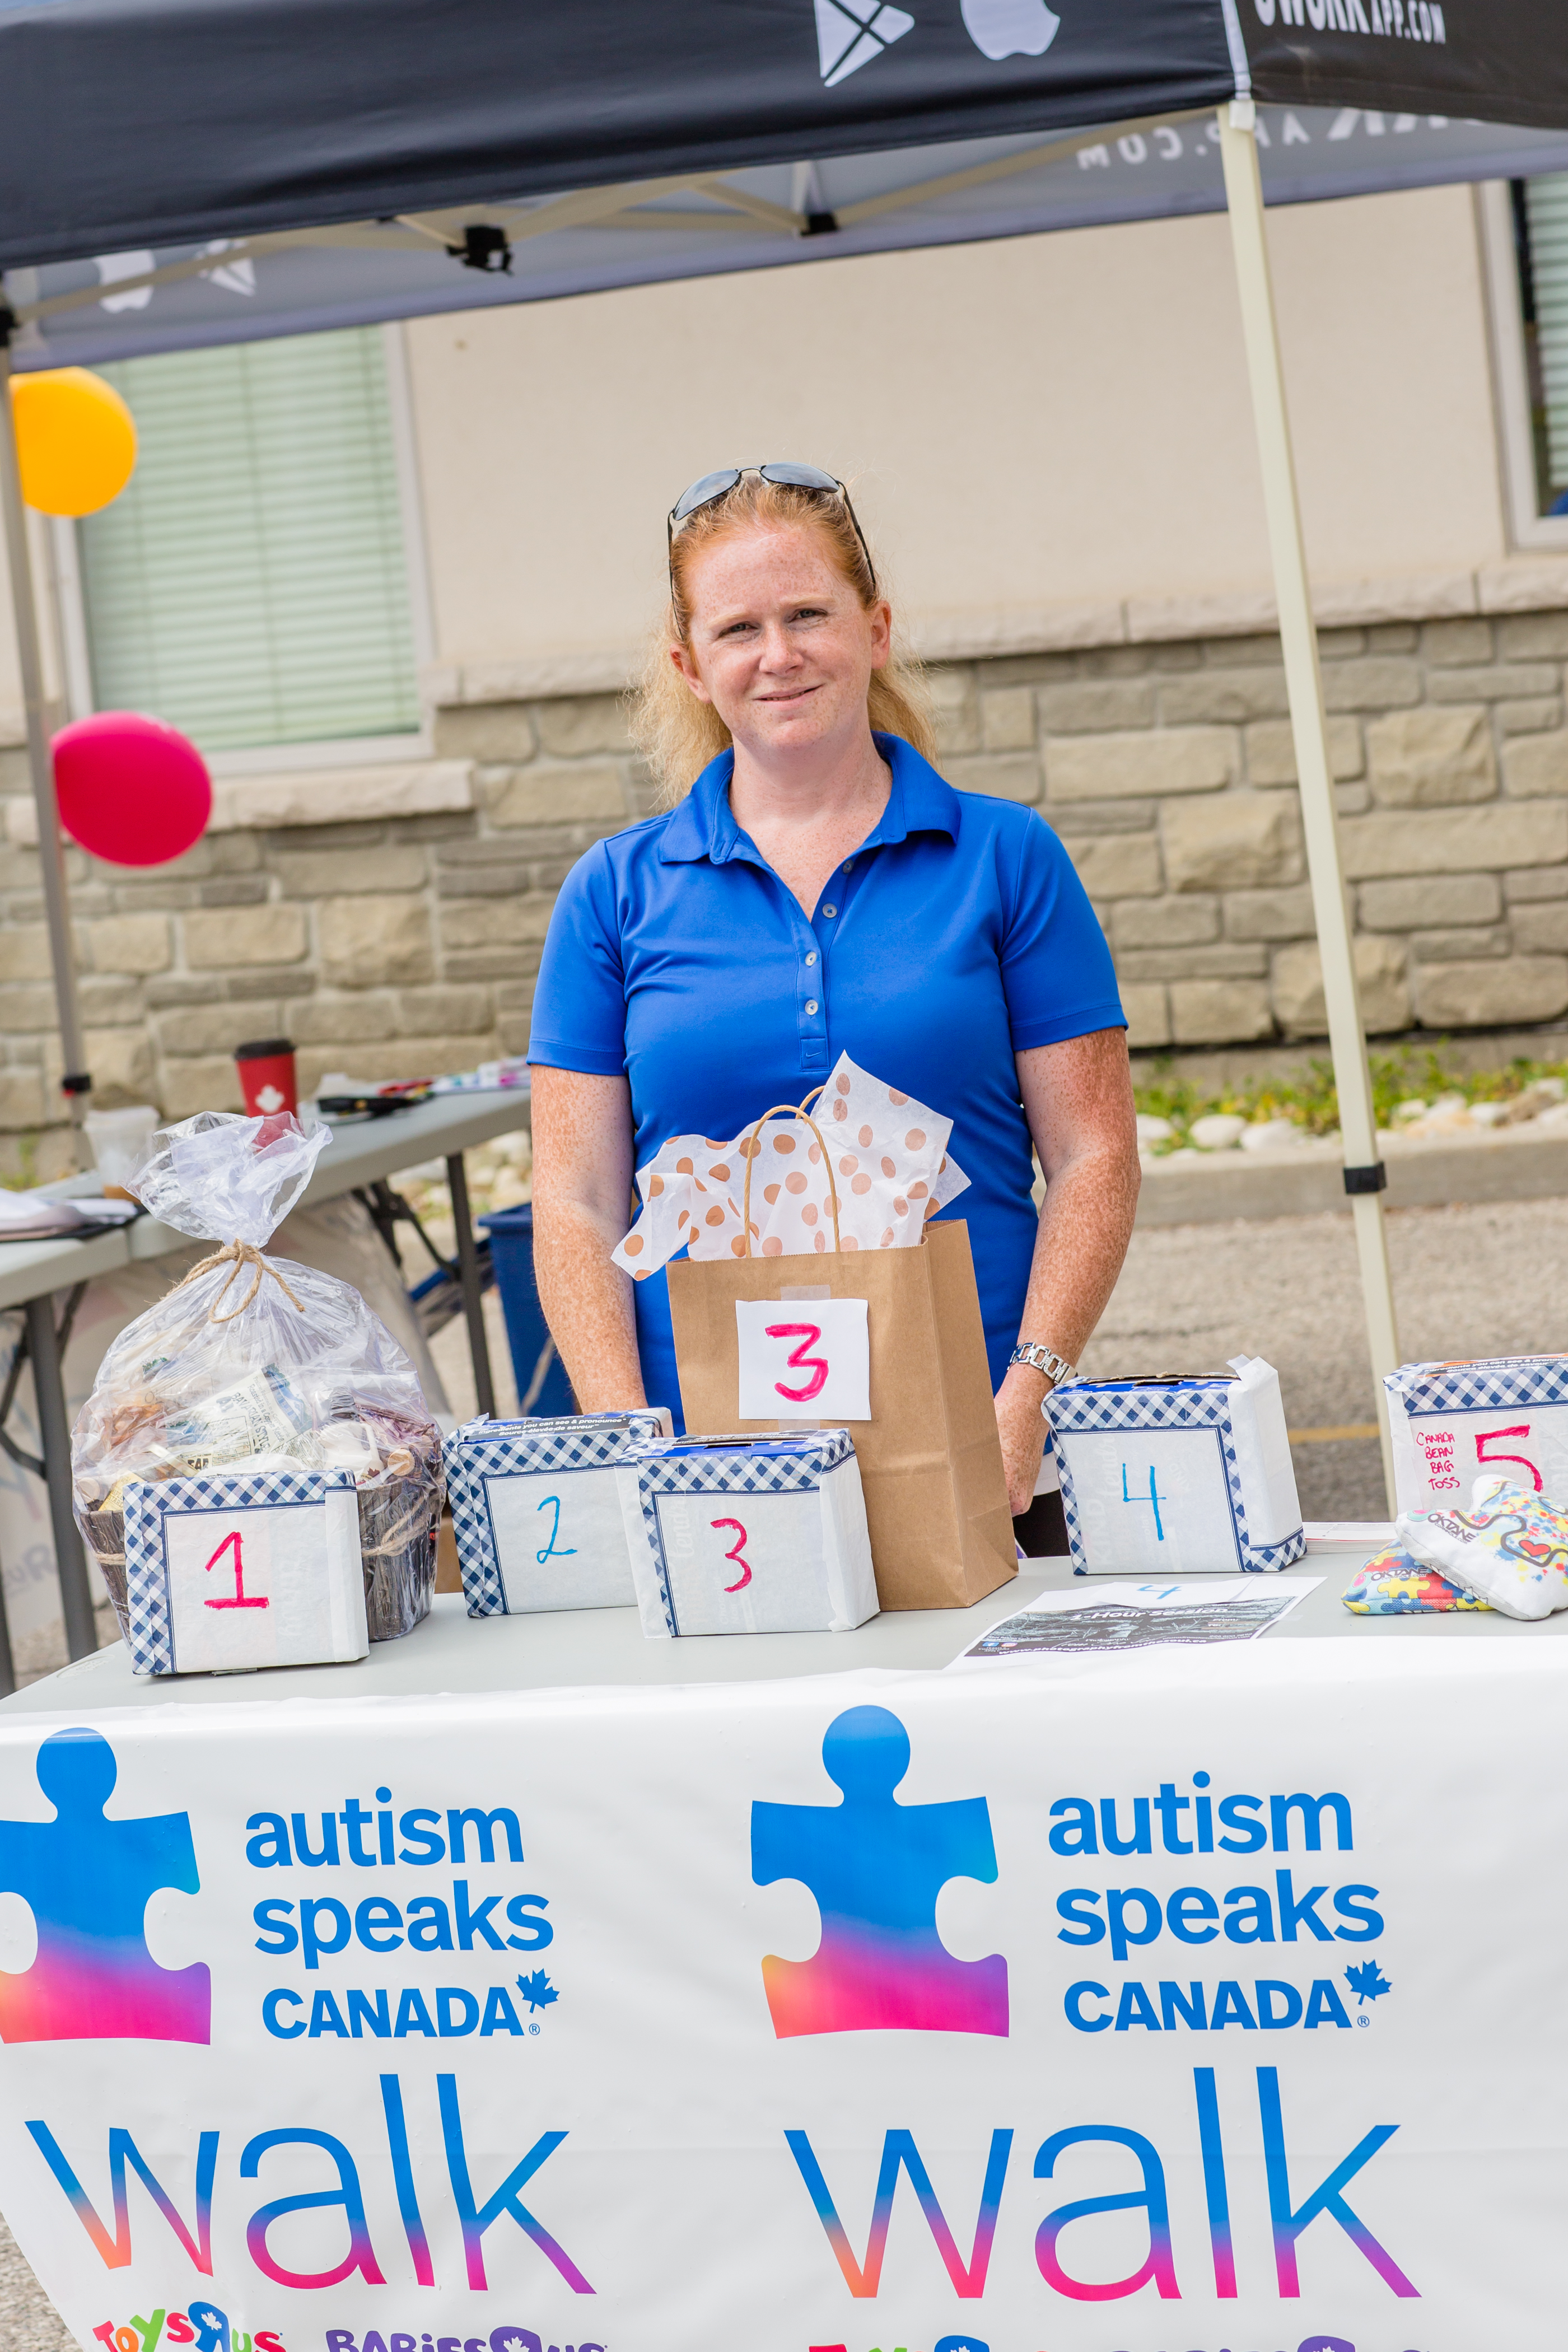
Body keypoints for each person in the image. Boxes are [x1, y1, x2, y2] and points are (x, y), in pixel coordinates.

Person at [526, 463, 1140, 1550]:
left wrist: (1028, 1397)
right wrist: (626, 1433)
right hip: (710, 1466)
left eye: (807, 613)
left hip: (980, 1438)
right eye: (737, 629)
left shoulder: (1004, 858)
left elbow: (1092, 1154)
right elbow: (575, 1199)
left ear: (875, 627)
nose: (777, 655)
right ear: (688, 665)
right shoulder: (614, 894)